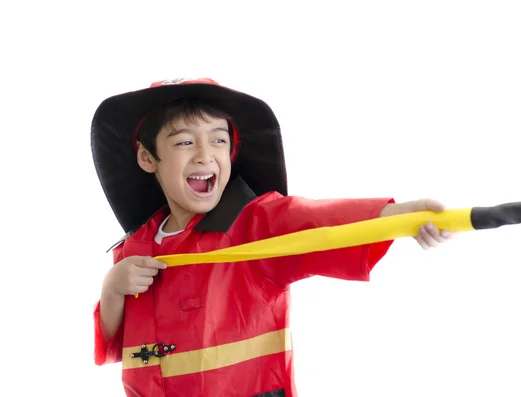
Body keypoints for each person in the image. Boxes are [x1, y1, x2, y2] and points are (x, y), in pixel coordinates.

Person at [92, 78, 454, 397]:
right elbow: (116, 345)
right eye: (185, 142)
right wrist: (112, 288)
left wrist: (400, 216)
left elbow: (321, 222)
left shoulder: (256, 227)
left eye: (219, 140)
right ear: (147, 156)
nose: (206, 155)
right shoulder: (135, 247)